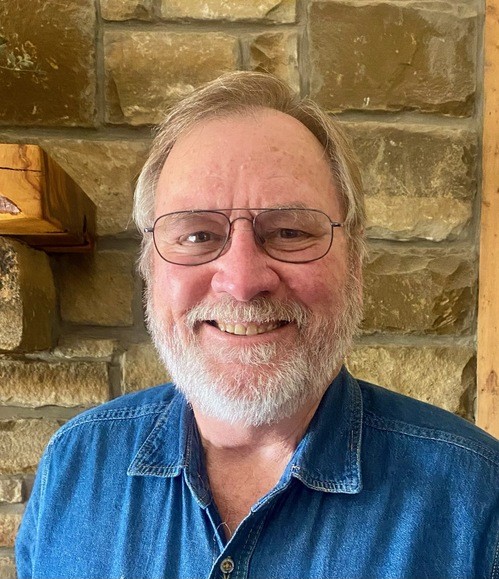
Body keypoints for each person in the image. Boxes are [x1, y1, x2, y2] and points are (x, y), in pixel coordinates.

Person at [16, 72, 499, 579]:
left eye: (289, 231)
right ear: (149, 268)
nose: (243, 281)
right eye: (198, 235)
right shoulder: (74, 467)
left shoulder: (478, 501)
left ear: (355, 263)